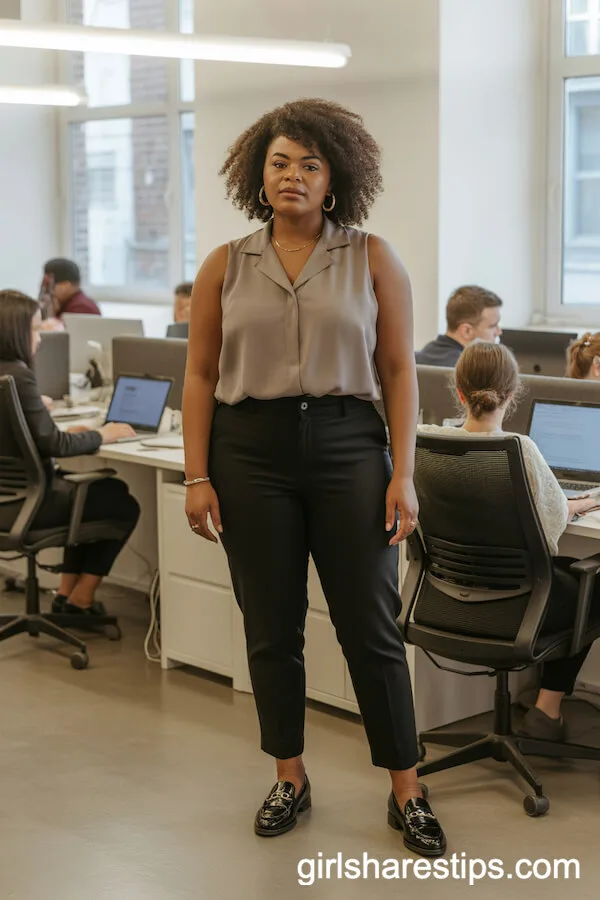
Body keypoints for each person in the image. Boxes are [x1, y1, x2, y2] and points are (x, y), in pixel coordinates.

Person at [182, 98, 446, 857]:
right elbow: (200, 375)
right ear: (257, 179)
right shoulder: (224, 264)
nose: (293, 176)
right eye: (279, 163)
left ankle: (407, 789)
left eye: (309, 164)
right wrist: (198, 475)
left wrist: (406, 472)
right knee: (271, 625)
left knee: (370, 626)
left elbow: (399, 370)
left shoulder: (370, 257)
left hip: (348, 447)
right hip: (249, 448)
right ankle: (289, 776)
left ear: (334, 181)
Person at [419, 340, 600, 742]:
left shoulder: (425, 441)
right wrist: (586, 501)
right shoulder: (520, 449)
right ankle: (546, 710)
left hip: (445, 597)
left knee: (562, 572)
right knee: (591, 579)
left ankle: (536, 699)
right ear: (514, 394)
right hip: (516, 606)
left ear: (459, 392)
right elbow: (554, 517)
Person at [0, 290, 139, 616]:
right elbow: (55, 447)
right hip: (29, 504)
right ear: (16, 332)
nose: (41, 338)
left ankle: (65, 594)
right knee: (120, 501)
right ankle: (81, 598)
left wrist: (58, 428)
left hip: (6, 502)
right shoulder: (18, 376)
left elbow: (23, 440)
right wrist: (103, 433)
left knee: (91, 494)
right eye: (36, 329)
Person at [415, 285, 503, 367]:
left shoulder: (416, 360)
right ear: (466, 331)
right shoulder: (471, 371)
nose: (499, 332)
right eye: (492, 326)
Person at [40, 259, 101, 327]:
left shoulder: (81, 308)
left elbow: (54, 332)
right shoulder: (64, 304)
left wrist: (51, 314)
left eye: (49, 285)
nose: (45, 290)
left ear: (66, 285)